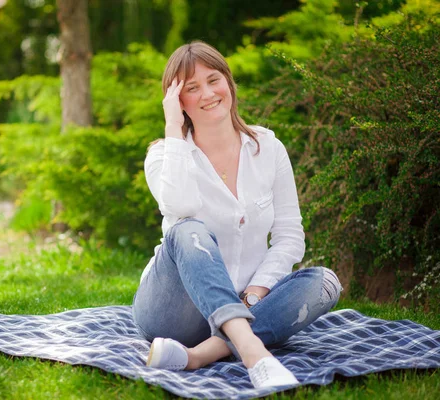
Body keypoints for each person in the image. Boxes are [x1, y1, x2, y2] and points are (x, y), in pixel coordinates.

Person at [131, 41, 342, 389]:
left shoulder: (268, 148)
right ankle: (253, 353)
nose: (208, 94)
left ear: (228, 82)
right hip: (174, 314)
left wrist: (257, 291)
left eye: (214, 80)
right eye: (191, 88)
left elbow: (290, 235)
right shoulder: (163, 156)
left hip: (248, 302)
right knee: (188, 229)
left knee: (324, 282)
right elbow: (182, 210)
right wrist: (172, 128)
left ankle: (198, 356)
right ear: (177, 101)